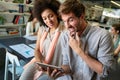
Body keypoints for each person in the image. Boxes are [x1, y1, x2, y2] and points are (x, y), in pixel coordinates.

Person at [49, 0, 116, 80]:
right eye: (64, 21)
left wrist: (79, 51)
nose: (67, 26)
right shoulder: (65, 35)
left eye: (71, 20)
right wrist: (60, 70)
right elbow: (67, 64)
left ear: (82, 16)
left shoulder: (102, 36)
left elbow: (106, 72)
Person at [19, 0, 66, 80]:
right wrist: (40, 63)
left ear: (57, 14)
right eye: (45, 18)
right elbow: (37, 50)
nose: (48, 21)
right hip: (38, 64)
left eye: (51, 16)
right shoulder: (42, 30)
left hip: (53, 70)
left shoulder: (65, 31)